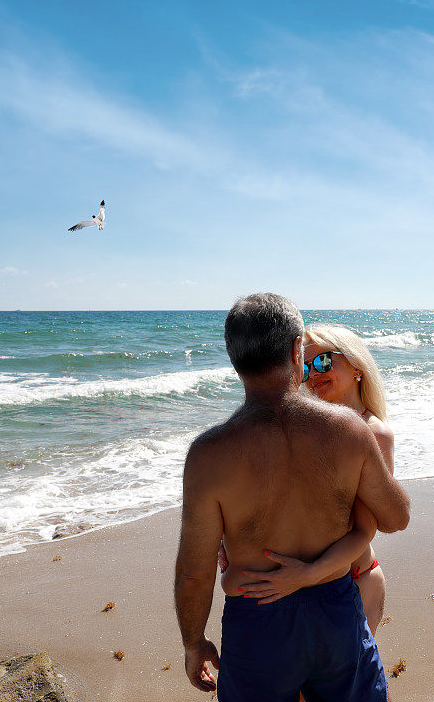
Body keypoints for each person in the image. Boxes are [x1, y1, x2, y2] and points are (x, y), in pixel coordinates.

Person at [174, 293, 410, 701]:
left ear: (234, 359)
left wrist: (194, 643)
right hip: (334, 610)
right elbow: (396, 517)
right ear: (295, 349)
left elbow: (196, 572)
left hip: (257, 615)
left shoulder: (208, 454)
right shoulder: (349, 431)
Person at [227, 324, 394, 634]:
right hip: (301, 585)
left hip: (352, 583)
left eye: (324, 361)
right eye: (305, 367)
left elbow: (364, 529)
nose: (313, 373)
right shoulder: (303, 428)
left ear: (356, 366)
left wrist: (308, 573)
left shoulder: (374, 434)